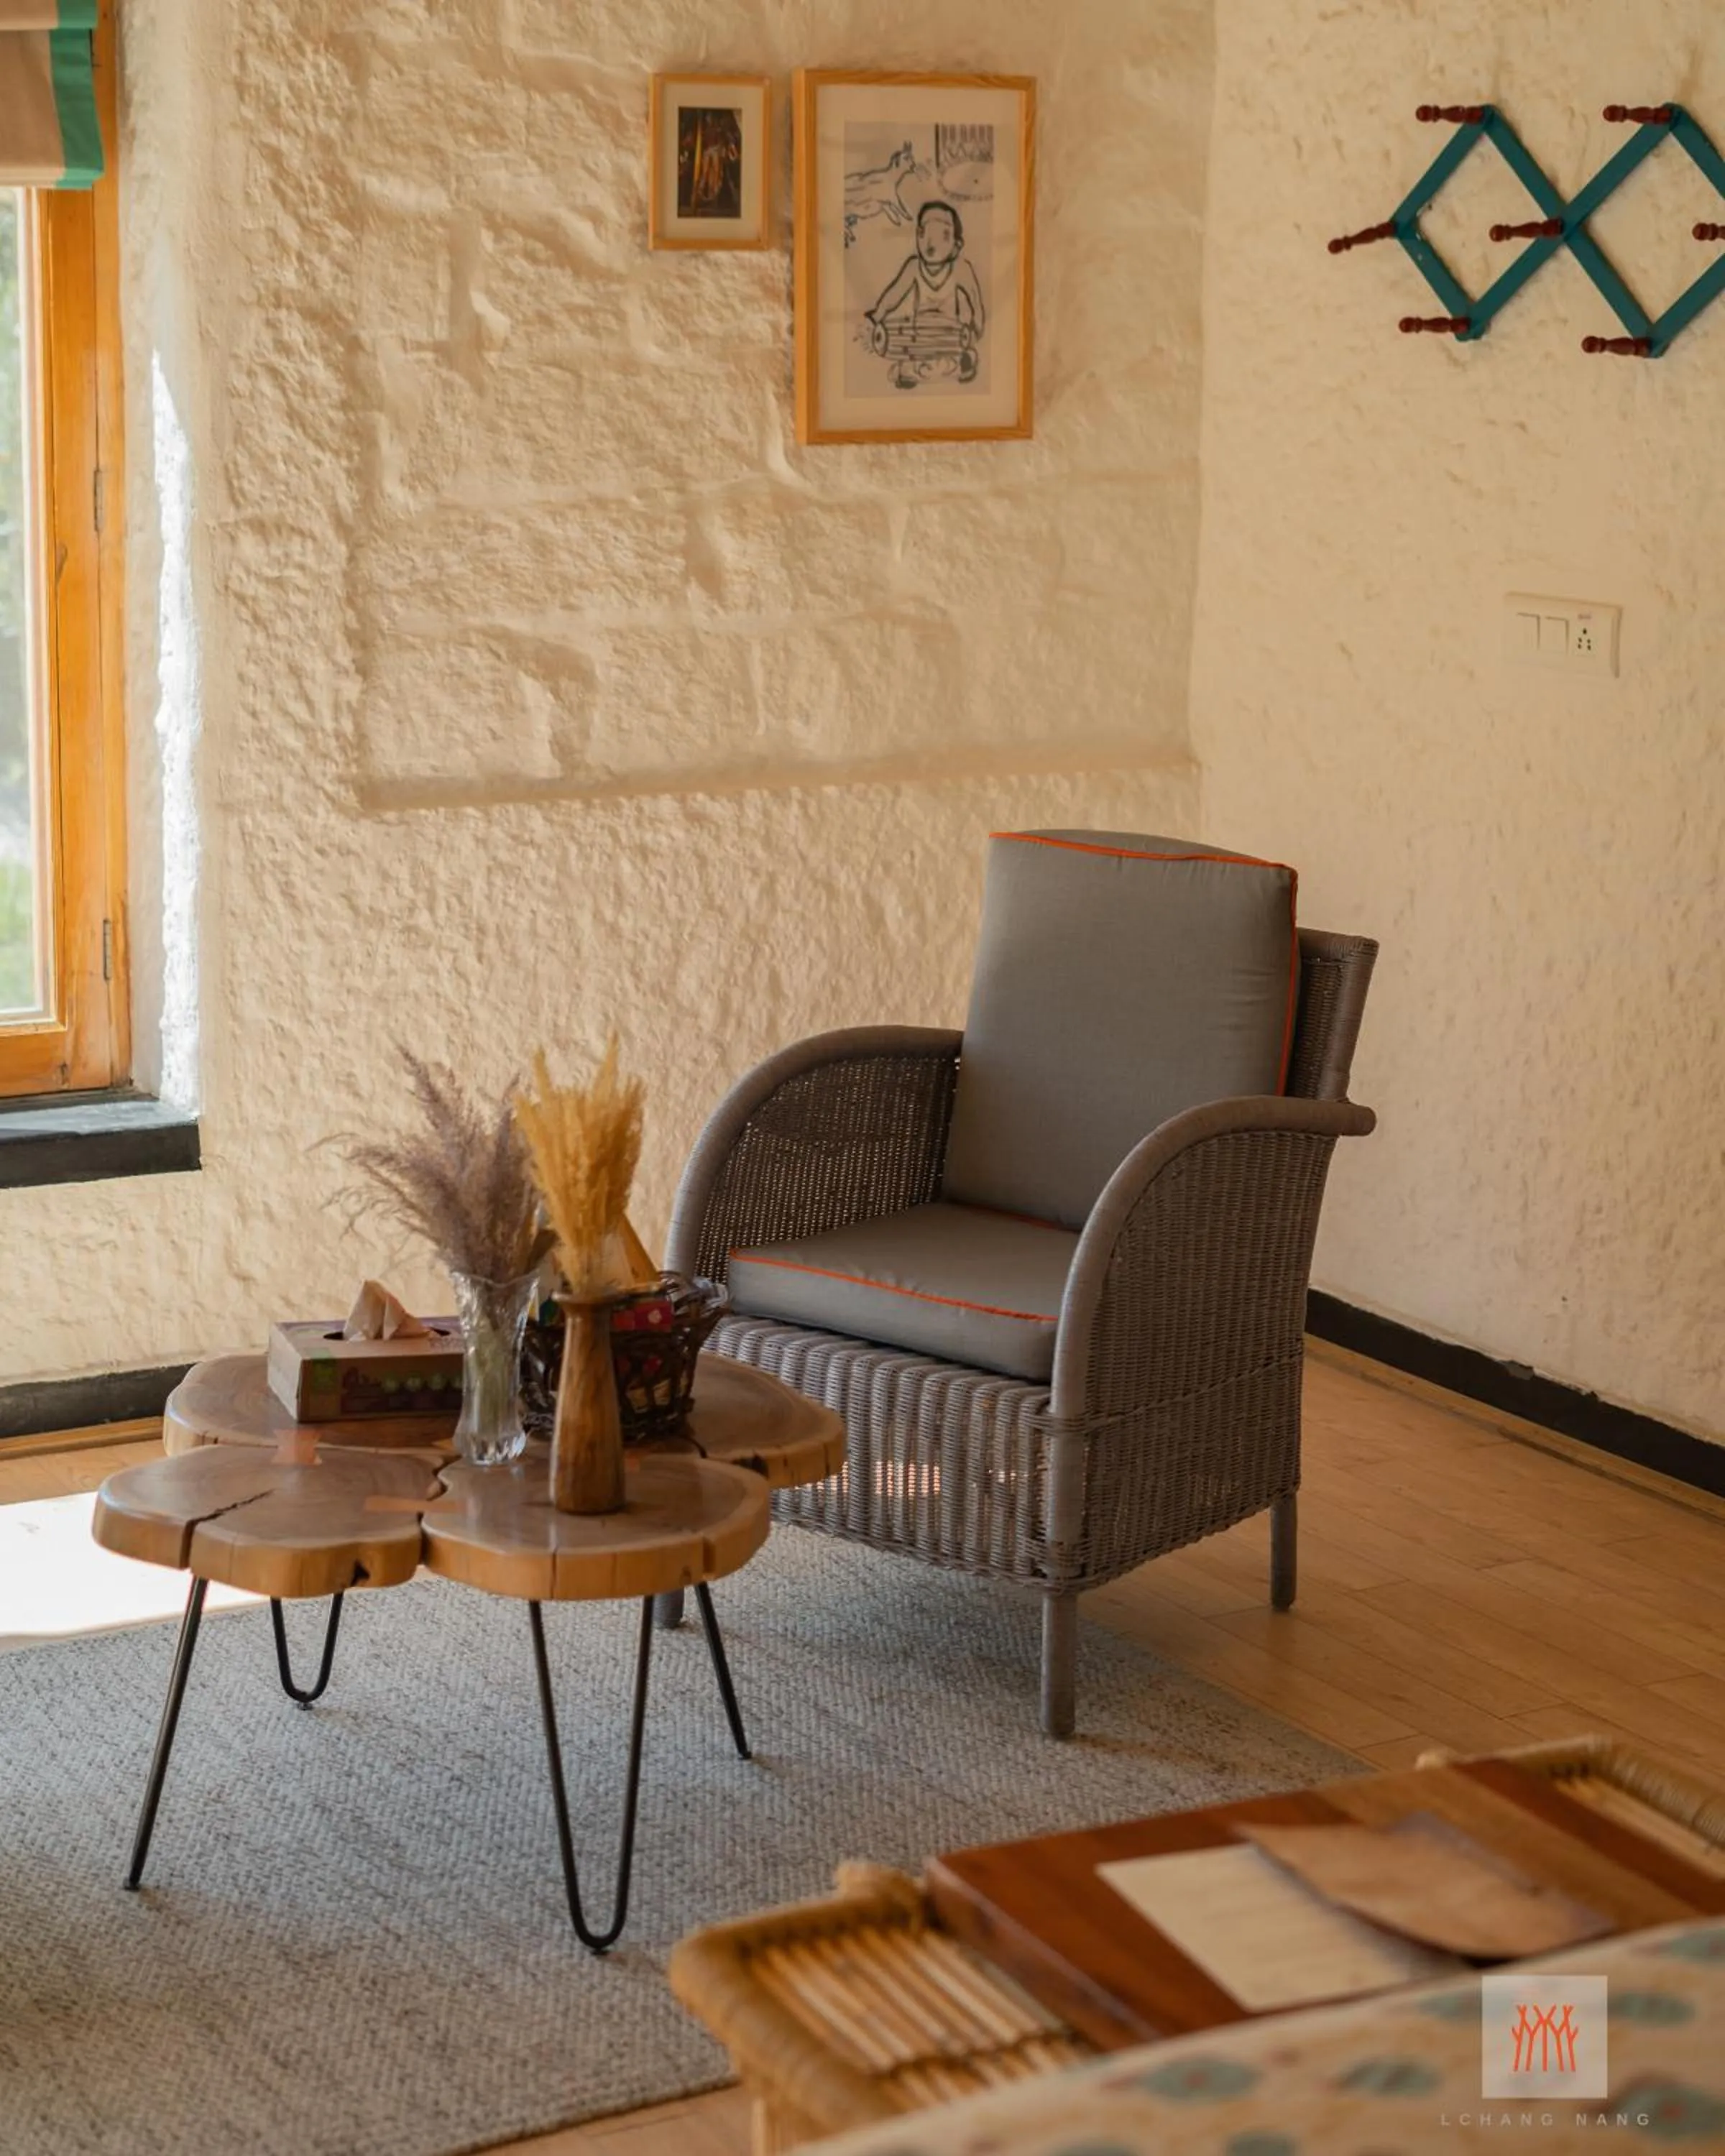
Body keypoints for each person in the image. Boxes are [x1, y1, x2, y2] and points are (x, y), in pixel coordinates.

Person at [863, 200, 985, 386]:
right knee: (903, 368)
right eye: (923, 233)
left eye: (943, 235)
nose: (931, 242)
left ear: (956, 246)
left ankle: (957, 366)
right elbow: (893, 296)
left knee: (966, 357)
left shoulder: (961, 269)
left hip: (950, 337)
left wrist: (975, 330)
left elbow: (976, 303)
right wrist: (875, 317)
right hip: (917, 338)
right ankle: (919, 372)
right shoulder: (913, 267)